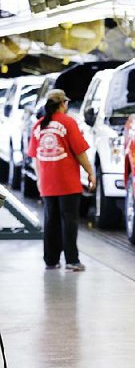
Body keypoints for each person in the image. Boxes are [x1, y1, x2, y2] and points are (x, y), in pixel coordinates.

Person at [28, 89, 96, 271]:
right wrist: (90, 172)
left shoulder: (39, 126)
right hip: (67, 182)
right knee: (69, 221)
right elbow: (80, 152)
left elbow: (35, 157)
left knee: (51, 221)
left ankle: (51, 260)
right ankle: (72, 260)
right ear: (62, 104)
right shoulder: (68, 123)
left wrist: (39, 179)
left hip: (47, 182)